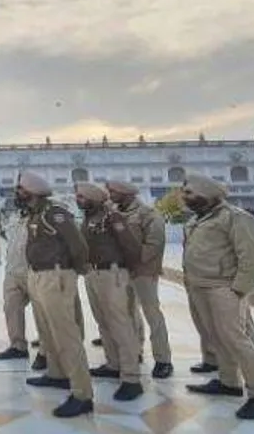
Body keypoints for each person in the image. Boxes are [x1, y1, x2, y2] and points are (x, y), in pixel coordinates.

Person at [181, 174, 254, 420]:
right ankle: (229, 382)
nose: (185, 197)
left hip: (224, 288)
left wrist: (239, 290)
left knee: (236, 340)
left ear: (207, 193)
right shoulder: (196, 220)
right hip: (200, 286)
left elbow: (253, 257)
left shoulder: (235, 217)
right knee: (216, 337)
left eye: (190, 193)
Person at [20, 171, 94, 418]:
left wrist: (75, 271)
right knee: (47, 332)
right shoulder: (36, 214)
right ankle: (56, 373)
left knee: (66, 335)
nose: (17, 194)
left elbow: (78, 245)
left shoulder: (55, 213)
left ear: (31, 192)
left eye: (21, 190)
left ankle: (82, 394)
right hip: (38, 276)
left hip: (56, 276)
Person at [75, 182, 144, 401]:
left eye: (82, 197)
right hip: (94, 274)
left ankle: (131, 378)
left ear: (94, 199)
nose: (78, 200)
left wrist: (126, 274)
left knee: (121, 324)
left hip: (112, 274)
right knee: (103, 322)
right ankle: (113, 364)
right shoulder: (88, 218)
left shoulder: (112, 218)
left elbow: (131, 247)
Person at [105, 180, 172, 379]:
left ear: (126, 193)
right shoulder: (113, 213)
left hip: (143, 272)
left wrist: (135, 262)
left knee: (153, 314)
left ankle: (163, 359)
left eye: (113, 192)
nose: (110, 195)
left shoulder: (147, 214)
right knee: (128, 314)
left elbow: (154, 243)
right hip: (121, 272)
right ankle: (135, 351)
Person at [0, 206, 31, 360]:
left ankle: (45, 349)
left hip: (34, 271)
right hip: (13, 270)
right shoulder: (15, 217)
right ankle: (17, 345)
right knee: (11, 307)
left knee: (43, 312)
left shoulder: (43, 218)